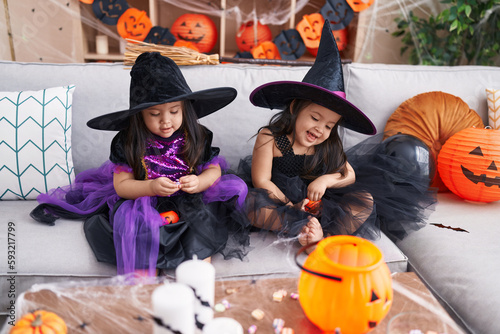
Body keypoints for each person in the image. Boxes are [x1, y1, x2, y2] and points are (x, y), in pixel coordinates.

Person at [30, 52, 249, 276]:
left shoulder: (197, 135)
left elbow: (214, 169)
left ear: (185, 108)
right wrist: (151, 187)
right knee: (139, 239)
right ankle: (144, 283)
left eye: (174, 111)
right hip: (144, 201)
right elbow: (122, 185)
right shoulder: (128, 141)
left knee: (201, 234)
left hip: (191, 200)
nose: (166, 121)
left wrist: (201, 181)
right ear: (139, 115)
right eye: (154, 114)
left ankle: (196, 278)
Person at [239, 21, 436, 249]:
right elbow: (261, 181)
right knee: (250, 203)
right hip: (281, 202)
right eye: (315, 118)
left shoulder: (326, 144)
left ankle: (325, 238)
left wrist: (326, 179)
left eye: (329, 126)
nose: (320, 129)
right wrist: (291, 207)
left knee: (364, 200)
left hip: (322, 204)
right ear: (294, 108)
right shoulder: (271, 138)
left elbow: (349, 174)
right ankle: (300, 229)